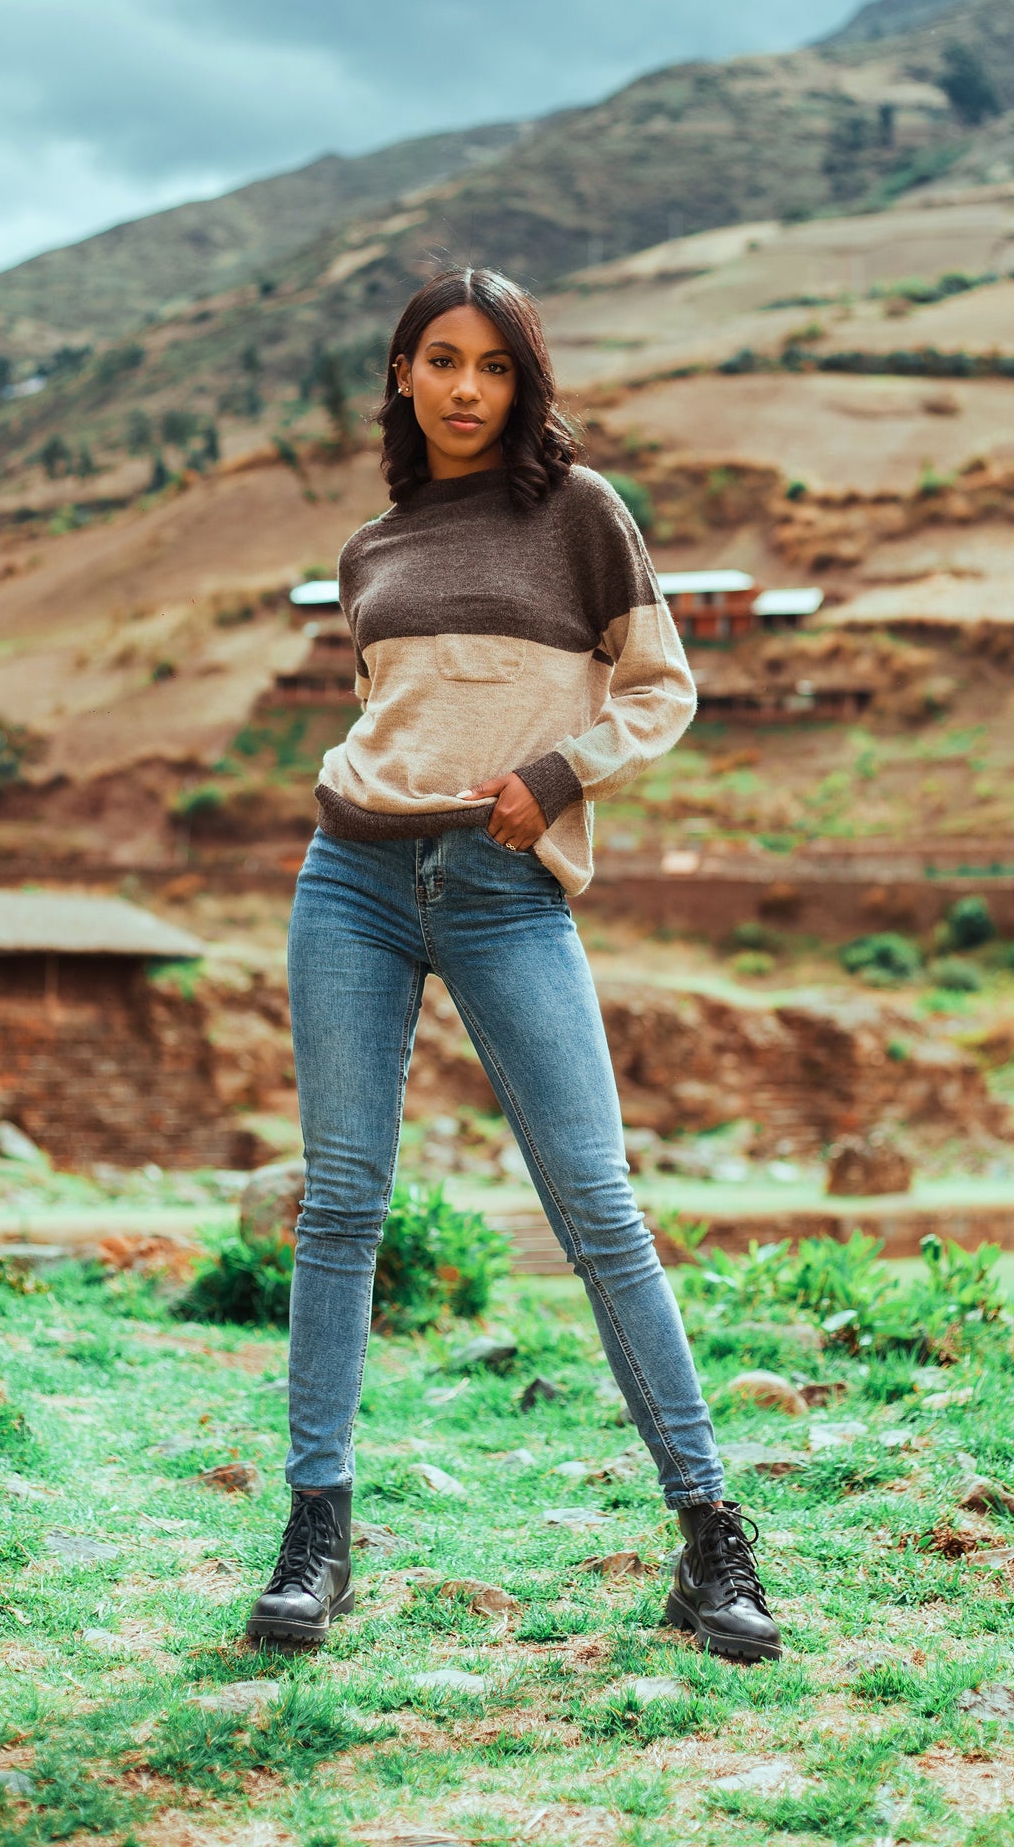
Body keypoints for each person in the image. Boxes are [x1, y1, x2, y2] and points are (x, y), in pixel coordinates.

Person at [245, 266, 779, 1664]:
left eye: (492, 364)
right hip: (351, 876)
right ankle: (315, 1538)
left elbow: (661, 686)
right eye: (441, 360)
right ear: (402, 376)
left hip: (503, 890)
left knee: (596, 1207)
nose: (466, 388)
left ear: (520, 379)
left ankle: (711, 1540)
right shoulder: (371, 548)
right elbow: (403, 713)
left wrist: (558, 770)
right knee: (340, 1208)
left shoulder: (580, 512)